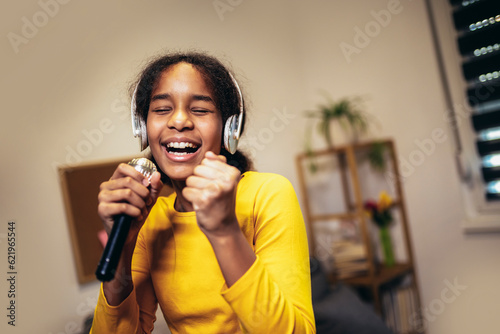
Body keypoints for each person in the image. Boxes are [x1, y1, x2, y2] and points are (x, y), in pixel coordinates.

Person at [90, 52, 316, 333]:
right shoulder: (152, 221)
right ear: (142, 128)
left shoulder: (268, 194)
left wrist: (225, 232)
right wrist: (122, 248)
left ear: (229, 129)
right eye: (161, 109)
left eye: (200, 110)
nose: (180, 121)